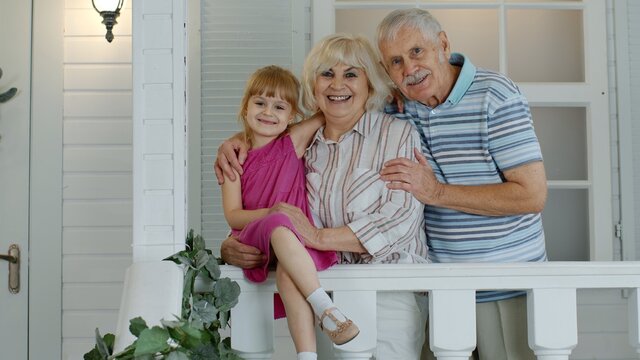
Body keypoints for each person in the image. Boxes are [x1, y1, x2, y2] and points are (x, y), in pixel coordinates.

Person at [218, 35, 429, 359]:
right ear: (313, 87)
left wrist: (318, 236)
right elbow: (270, 200)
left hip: (388, 290)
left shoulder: (395, 134)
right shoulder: (302, 147)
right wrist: (232, 245)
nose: (337, 84)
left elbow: (400, 218)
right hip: (324, 288)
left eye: (351, 74)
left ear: (369, 86)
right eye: (327, 74)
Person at [375, 8, 547, 360]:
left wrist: (435, 192)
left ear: (442, 44)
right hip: (436, 289)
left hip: (506, 285)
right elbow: (334, 105)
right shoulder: (394, 107)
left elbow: (531, 195)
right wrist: (244, 141)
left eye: (416, 52)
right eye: (395, 62)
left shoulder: (495, 94)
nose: (409, 69)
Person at [221, 65, 360, 360]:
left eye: (279, 106)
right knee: (282, 219)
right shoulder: (235, 158)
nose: (268, 112)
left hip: (293, 245)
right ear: (245, 107)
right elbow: (233, 215)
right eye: (260, 103)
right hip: (256, 239)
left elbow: (330, 109)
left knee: (288, 276)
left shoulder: (292, 142)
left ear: (292, 116)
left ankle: (306, 355)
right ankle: (325, 307)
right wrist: (273, 213)